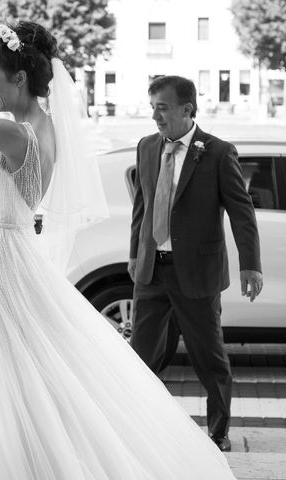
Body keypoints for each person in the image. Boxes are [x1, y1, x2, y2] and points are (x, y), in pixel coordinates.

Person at [0, 22, 237, 479]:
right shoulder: (41, 128)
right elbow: (19, 187)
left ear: (20, 78)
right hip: (9, 248)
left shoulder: (16, 133)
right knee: (8, 362)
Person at [128, 75, 263, 452]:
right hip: (152, 271)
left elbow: (242, 212)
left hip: (197, 274)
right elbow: (141, 205)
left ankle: (218, 433)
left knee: (210, 360)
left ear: (187, 109)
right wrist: (135, 254)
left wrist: (250, 264)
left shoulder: (218, 152)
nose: (155, 116)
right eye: (152, 106)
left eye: (162, 108)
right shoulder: (146, 146)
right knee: (140, 360)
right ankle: (139, 427)